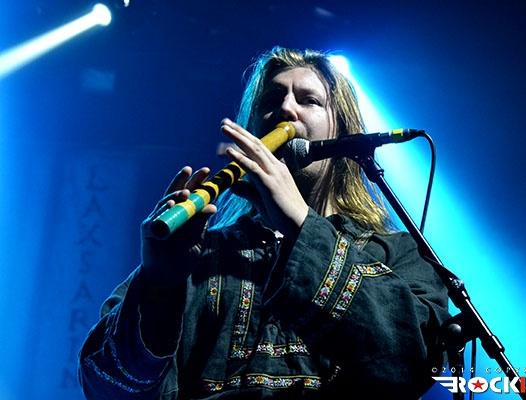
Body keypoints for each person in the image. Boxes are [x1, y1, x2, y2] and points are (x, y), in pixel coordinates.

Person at [78, 46, 450, 399]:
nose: (286, 109)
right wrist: (160, 283)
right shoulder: (200, 256)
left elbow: (418, 361)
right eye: (272, 100)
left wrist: (301, 224)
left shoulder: (396, 253)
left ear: (342, 133)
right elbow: (106, 387)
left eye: (308, 100)